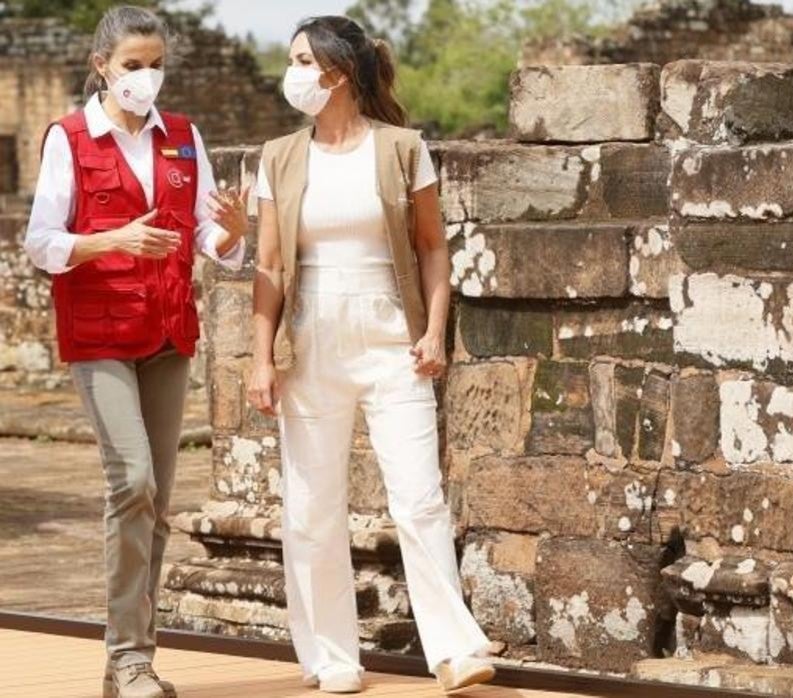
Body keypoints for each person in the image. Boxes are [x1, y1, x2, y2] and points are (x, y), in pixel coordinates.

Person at [245, 15, 494, 695]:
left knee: (418, 498)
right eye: (290, 58)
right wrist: (260, 356)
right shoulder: (278, 157)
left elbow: (431, 247)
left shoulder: (403, 148)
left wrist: (435, 330)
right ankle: (331, 657)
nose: (292, 72)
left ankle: (454, 648)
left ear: (340, 72)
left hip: (390, 332)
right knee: (311, 506)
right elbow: (268, 263)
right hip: (310, 337)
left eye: (304, 60)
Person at [22, 6, 249, 698]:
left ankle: (133, 660)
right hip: (99, 334)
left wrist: (233, 232)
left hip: (167, 333)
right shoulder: (69, 138)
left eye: (155, 65)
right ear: (102, 68)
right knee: (134, 483)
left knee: (158, 499)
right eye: (132, 65)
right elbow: (41, 243)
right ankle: (127, 655)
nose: (146, 77)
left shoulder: (182, 137)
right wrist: (111, 240)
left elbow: (207, 237)